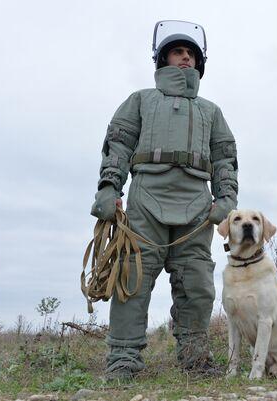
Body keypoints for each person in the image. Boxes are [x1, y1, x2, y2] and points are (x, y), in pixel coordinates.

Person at [90, 20, 238, 380]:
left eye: (191, 54)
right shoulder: (140, 100)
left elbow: (225, 159)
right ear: (162, 59)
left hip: (197, 207)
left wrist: (226, 200)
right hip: (146, 200)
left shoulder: (211, 111)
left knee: (197, 283)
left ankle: (195, 358)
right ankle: (123, 360)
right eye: (178, 52)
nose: (185, 58)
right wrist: (110, 189)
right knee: (132, 279)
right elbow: (119, 146)